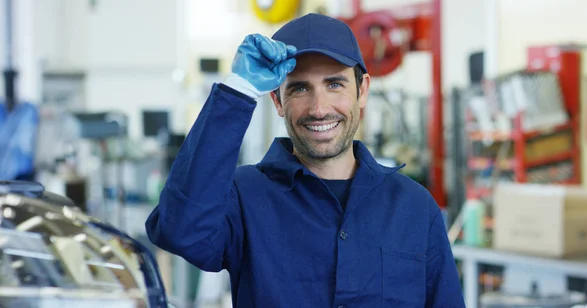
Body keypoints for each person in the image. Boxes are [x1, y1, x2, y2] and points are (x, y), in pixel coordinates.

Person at [145, 13, 465, 308]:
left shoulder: (414, 207)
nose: (319, 108)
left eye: (335, 84)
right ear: (278, 100)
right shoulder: (243, 197)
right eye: (299, 88)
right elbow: (178, 230)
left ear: (362, 90)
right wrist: (237, 91)